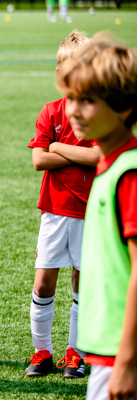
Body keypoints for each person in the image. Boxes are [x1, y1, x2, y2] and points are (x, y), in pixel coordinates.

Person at [57, 36, 137, 400]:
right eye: (71, 98)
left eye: (88, 101)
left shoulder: (128, 174)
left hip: (120, 354)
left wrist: (127, 361)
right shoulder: (109, 166)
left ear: (123, 107)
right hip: (106, 351)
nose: (73, 110)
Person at [24, 29, 97, 378]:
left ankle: (75, 353)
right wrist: (73, 153)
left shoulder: (99, 113)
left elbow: (98, 156)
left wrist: (57, 147)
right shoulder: (51, 112)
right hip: (54, 212)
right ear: (59, 73)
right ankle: (42, 351)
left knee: (82, 282)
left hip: (90, 213)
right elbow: (38, 160)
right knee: (43, 283)